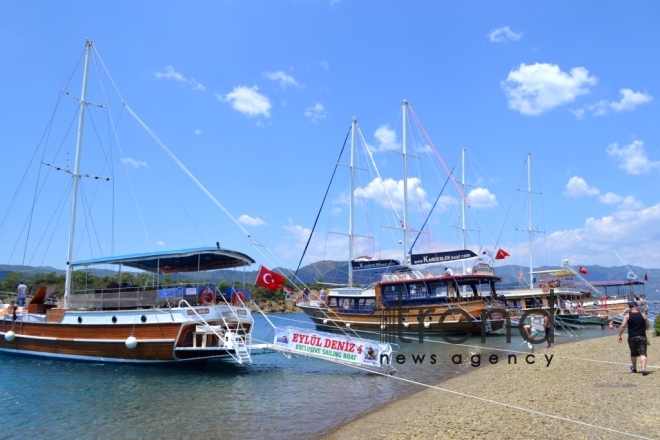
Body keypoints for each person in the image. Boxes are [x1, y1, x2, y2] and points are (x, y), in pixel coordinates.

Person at [617, 301, 650, 376]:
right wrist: (644, 330)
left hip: (632, 337)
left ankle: (634, 368)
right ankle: (644, 369)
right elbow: (647, 325)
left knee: (633, 353)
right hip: (642, 336)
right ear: (637, 307)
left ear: (630, 308)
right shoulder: (643, 315)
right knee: (643, 353)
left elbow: (623, 326)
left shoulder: (627, 316)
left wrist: (619, 335)